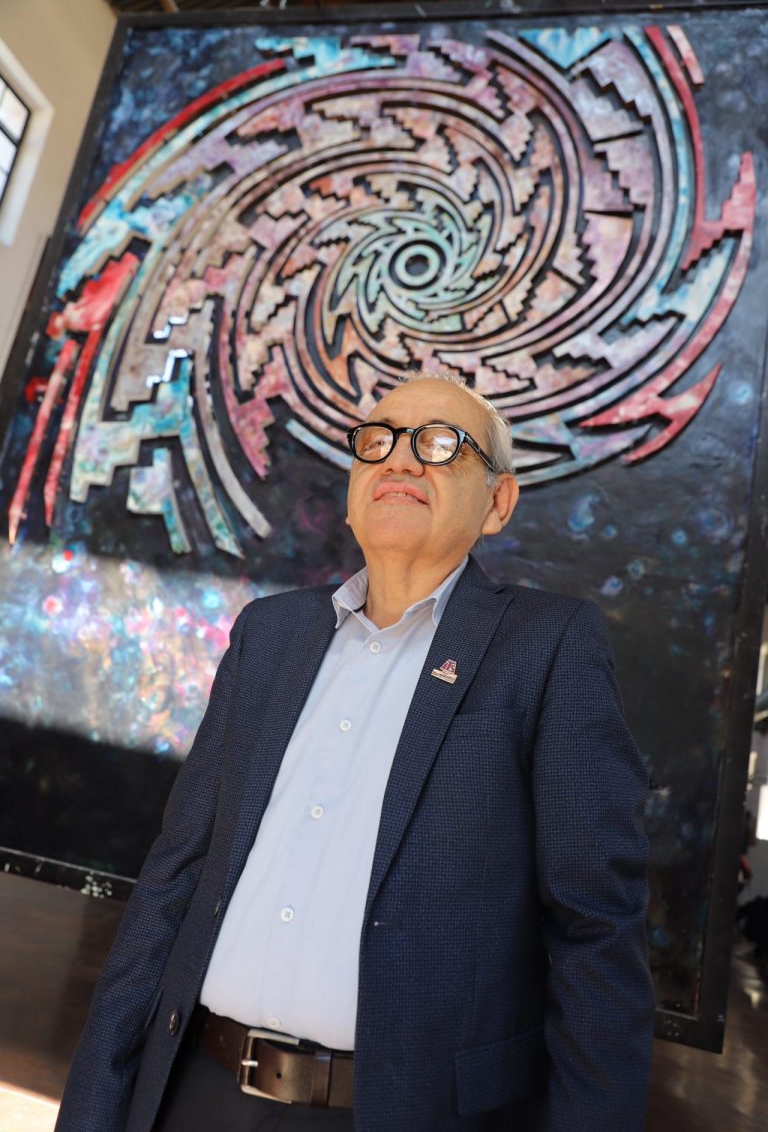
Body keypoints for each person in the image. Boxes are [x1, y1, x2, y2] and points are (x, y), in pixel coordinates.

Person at [55, 374, 655, 1132]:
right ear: (351, 490)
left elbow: (596, 927)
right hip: (197, 1090)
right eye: (378, 441)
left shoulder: (547, 646)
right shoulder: (268, 635)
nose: (400, 459)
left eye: (440, 443)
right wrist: (93, 1108)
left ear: (497, 503)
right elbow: (174, 877)